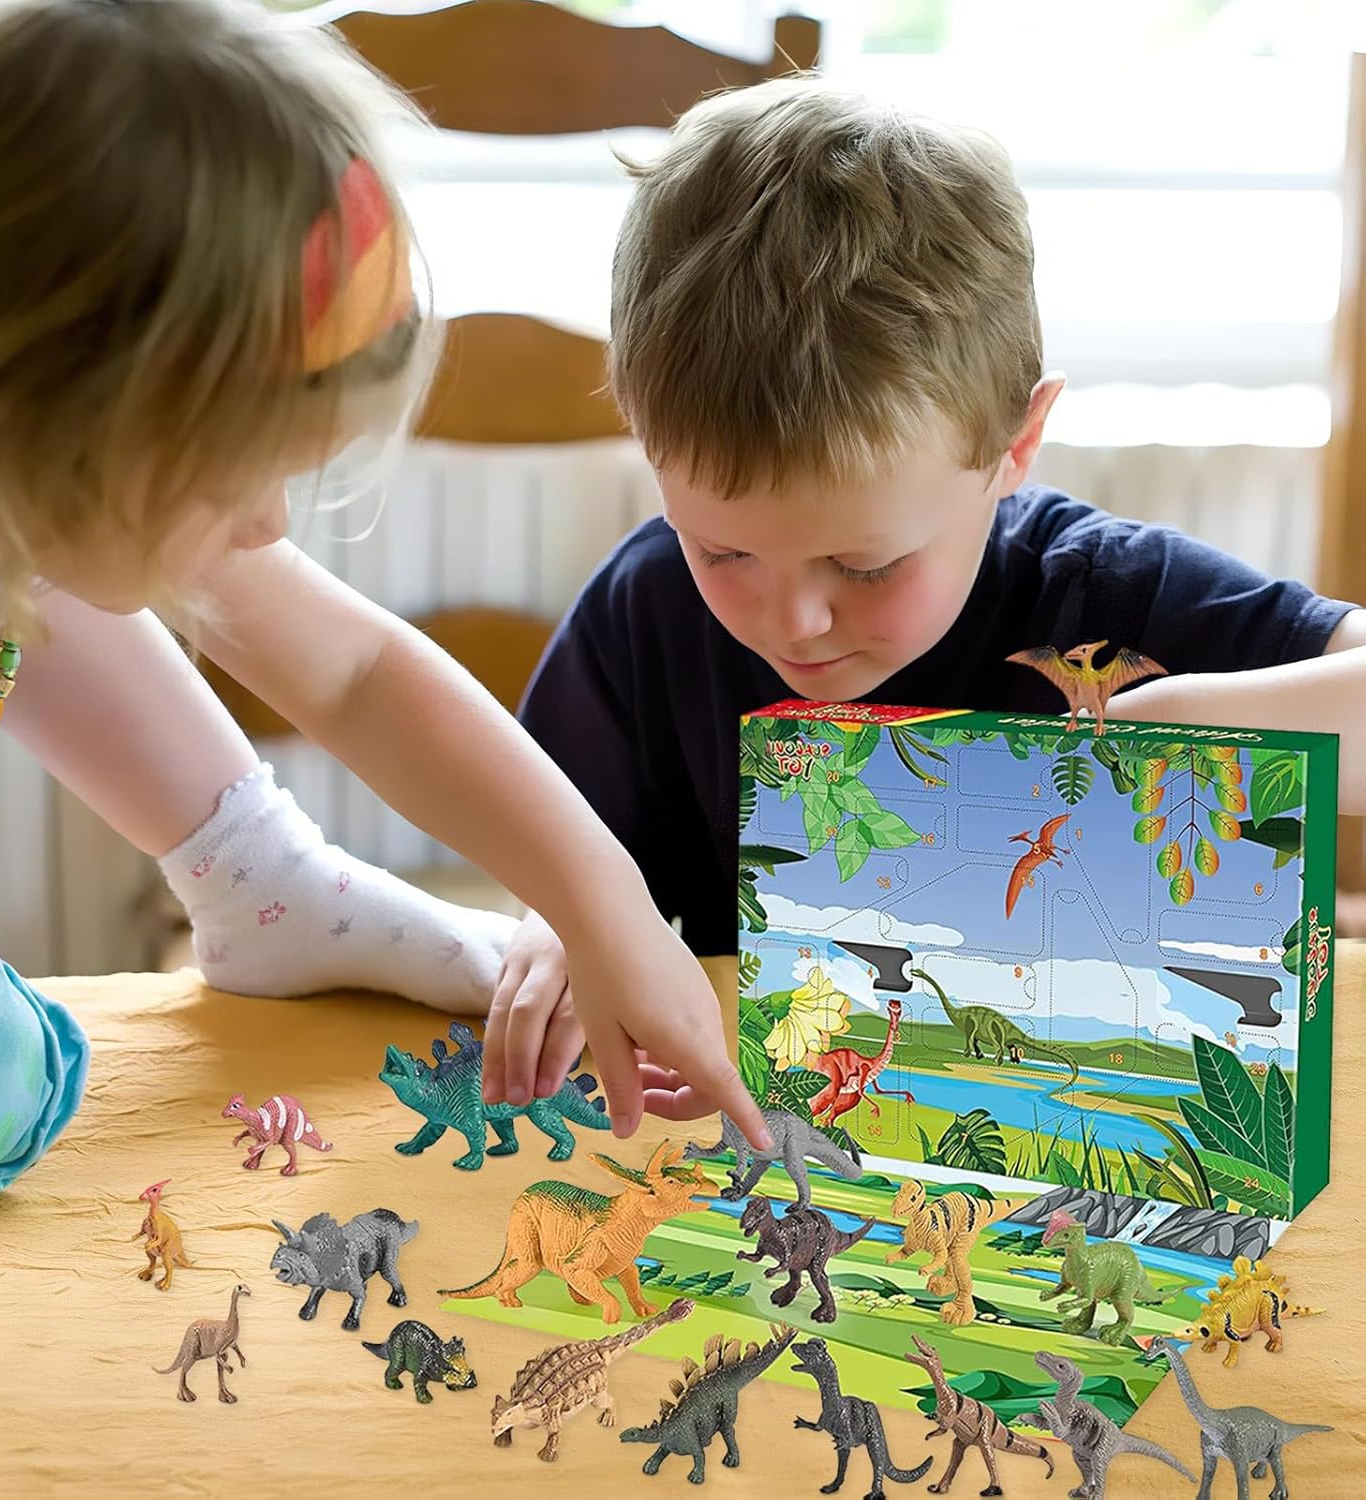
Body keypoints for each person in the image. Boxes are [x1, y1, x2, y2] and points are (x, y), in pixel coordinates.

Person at [0, 0, 767, 1205]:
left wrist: (608, 909)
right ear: (27, 413)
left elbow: (352, 672)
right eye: (232, 482)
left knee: (33, 566)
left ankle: (260, 874)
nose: (267, 526)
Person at [490, 76, 1366, 1106]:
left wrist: (1181, 724)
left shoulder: (1113, 606)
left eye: (865, 566)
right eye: (722, 551)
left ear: (1015, 447)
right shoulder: (645, 613)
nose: (793, 619)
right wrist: (562, 919)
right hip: (789, 1144)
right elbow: (557, 851)